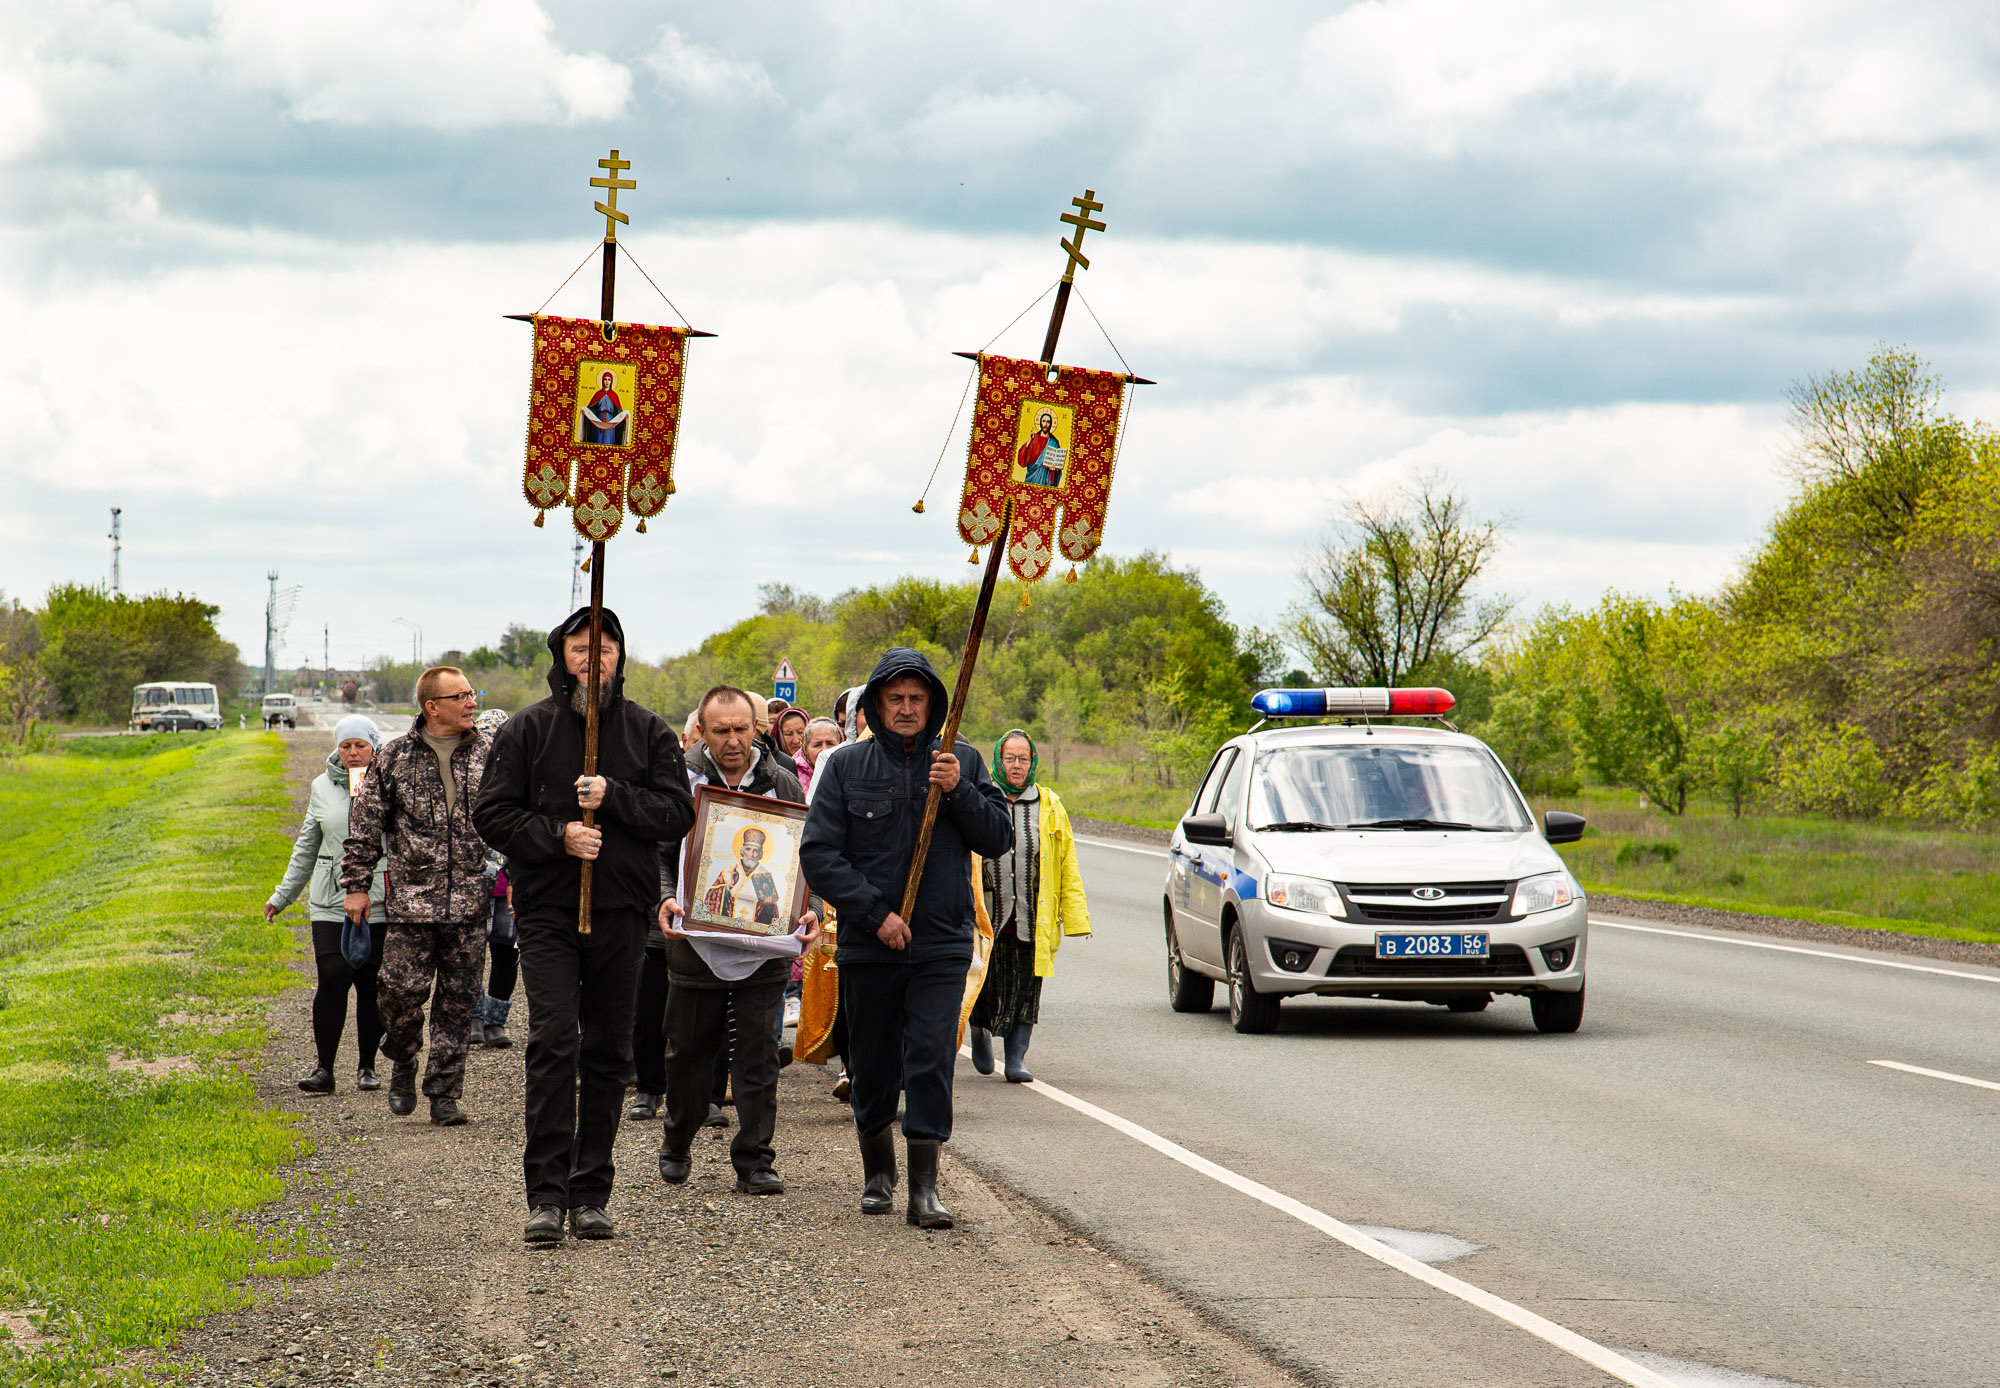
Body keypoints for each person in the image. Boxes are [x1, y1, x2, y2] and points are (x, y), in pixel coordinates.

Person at [473, 607, 694, 1246]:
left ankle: (591, 1190)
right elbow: (492, 814)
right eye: (579, 649)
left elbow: (678, 813)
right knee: (550, 1042)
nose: (591, 660)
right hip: (545, 911)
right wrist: (557, 835)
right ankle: (545, 1194)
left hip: (621, 912)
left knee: (606, 1050)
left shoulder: (648, 732)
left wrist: (615, 797)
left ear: (620, 659)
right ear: (560, 656)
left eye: (604, 650)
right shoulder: (527, 730)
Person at [799, 649, 1010, 1229]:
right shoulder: (845, 767)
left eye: (918, 699)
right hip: (870, 944)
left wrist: (961, 790)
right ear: (875, 705)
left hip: (941, 944)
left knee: (931, 1059)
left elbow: (997, 839)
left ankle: (924, 1188)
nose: (908, 708)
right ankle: (877, 1174)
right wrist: (876, 914)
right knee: (871, 1060)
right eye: (897, 699)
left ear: (934, 704)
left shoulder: (961, 759)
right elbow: (819, 854)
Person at [656, 686, 817, 1196]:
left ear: (757, 729)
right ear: (701, 731)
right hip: (694, 942)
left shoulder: (785, 785)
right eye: (720, 730)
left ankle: (755, 1159)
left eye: (741, 729)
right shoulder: (678, 782)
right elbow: (657, 856)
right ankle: (677, 1139)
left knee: (758, 1056)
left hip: (764, 950)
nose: (732, 740)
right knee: (687, 1052)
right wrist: (663, 897)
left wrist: (808, 911)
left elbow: (805, 858)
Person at [341, 668, 494, 1128]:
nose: (471, 702)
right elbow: (365, 826)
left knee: (457, 1003)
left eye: (472, 694)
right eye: (461, 696)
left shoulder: (491, 754)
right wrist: (356, 886)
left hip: (470, 903)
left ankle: (444, 1095)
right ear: (432, 706)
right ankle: (404, 1055)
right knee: (396, 994)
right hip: (412, 904)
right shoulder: (394, 758)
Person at [267, 714, 388, 1094]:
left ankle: (367, 1067)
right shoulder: (322, 786)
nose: (353, 754)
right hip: (329, 899)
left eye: (360, 746)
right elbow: (306, 845)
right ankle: (325, 1069)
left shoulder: (391, 784)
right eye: (345, 746)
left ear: (375, 747)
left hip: (379, 899)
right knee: (333, 978)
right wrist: (283, 895)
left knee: (371, 983)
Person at [968, 730, 1092, 1084]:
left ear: (1033, 761)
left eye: (1024, 759)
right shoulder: (981, 796)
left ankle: (1016, 1058)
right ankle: (979, 1031)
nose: (1017, 765)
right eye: (1011, 758)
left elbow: (1067, 864)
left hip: (1031, 918)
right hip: (987, 915)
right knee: (984, 982)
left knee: (1027, 987)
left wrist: (1075, 917)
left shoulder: (1050, 804)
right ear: (998, 759)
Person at [471, 708, 517, 1049]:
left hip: (507, 883)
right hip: (472, 879)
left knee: (504, 949)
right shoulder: (469, 773)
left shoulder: (518, 775)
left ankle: (495, 1020)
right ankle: (471, 1016)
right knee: (471, 950)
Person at [579, 370, 629, 446]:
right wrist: (586, 411)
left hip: (610, 422)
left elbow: (617, 411)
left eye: (609, 379)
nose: (607, 382)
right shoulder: (598, 394)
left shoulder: (614, 396)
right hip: (598, 421)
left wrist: (623, 415)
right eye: (605, 379)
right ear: (602, 381)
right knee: (597, 440)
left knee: (608, 441)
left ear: (611, 381)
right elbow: (593, 409)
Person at [1018, 411, 1065, 488]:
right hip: (1032, 477)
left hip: (1046, 478)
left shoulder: (1054, 442)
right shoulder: (1034, 438)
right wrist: (1029, 440)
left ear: (1051, 424)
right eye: (1044, 421)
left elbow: (1058, 463)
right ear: (1040, 422)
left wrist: (1054, 469)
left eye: (1048, 422)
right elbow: (1022, 459)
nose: (1045, 424)